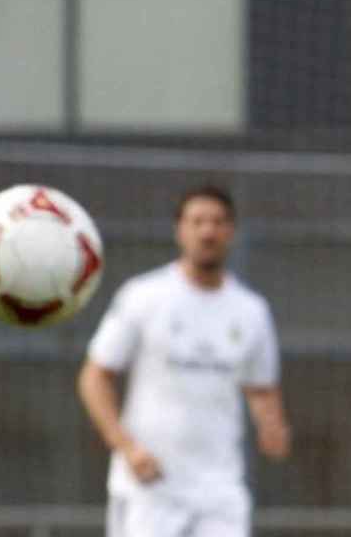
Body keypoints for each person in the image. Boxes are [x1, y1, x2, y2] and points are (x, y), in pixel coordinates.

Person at [78, 185, 290, 537]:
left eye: (218, 222)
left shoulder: (251, 310)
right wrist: (126, 447)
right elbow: (94, 377)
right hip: (150, 487)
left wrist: (272, 426)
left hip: (220, 489)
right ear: (180, 230)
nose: (208, 231)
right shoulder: (143, 296)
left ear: (232, 232)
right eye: (197, 221)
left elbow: (261, 388)